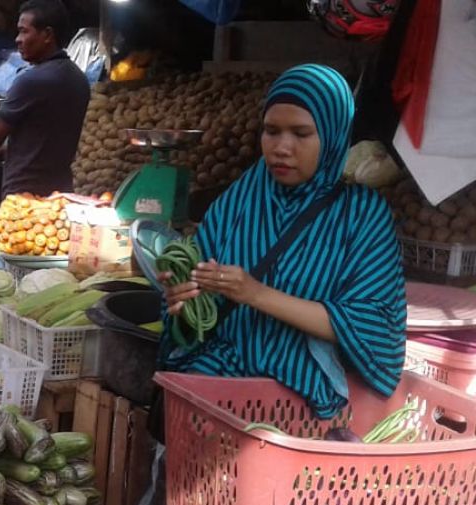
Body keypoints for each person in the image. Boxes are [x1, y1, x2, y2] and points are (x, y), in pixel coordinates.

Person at [160, 64, 406, 419]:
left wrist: (254, 293)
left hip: (301, 405)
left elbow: (374, 327)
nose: (281, 148)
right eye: (271, 131)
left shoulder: (363, 216)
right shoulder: (241, 199)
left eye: (301, 134)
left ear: (334, 134)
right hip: (216, 388)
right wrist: (182, 302)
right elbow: (198, 310)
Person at [0, 0, 89, 197]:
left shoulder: (31, 80)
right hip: (60, 194)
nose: (17, 39)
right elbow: (42, 140)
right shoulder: (78, 79)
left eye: (24, 31)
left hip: (24, 197)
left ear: (47, 35)